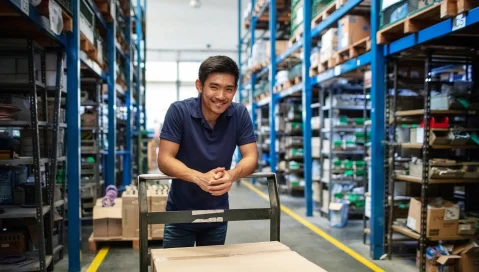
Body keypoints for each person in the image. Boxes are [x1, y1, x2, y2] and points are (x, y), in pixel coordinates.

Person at [157, 55, 258, 248]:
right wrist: (198, 177)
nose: (221, 96)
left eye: (228, 89)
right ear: (199, 85)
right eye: (214, 87)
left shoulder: (239, 114)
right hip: (180, 214)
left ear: (235, 90)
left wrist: (232, 175)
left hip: (217, 214)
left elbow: (251, 157)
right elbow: (164, 159)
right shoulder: (179, 111)